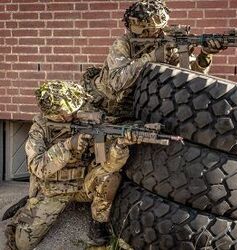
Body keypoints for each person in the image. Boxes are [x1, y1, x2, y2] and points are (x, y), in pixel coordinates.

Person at [4, 81, 138, 250]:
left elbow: (109, 165)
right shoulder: (40, 129)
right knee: (22, 243)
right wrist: (68, 146)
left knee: (110, 176)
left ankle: (98, 223)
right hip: (53, 191)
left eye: (74, 111)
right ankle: (26, 208)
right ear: (52, 114)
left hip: (84, 186)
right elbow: (37, 167)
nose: (72, 116)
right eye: (65, 114)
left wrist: (121, 145)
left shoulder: (90, 119)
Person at [82, 0, 225, 120]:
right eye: (137, 31)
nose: (141, 35)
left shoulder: (169, 43)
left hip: (135, 109)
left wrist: (205, 55)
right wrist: (150, 58)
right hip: (100, 104)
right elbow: (116, 82)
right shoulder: (123, 43)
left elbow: (191, 78)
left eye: (147, 31)